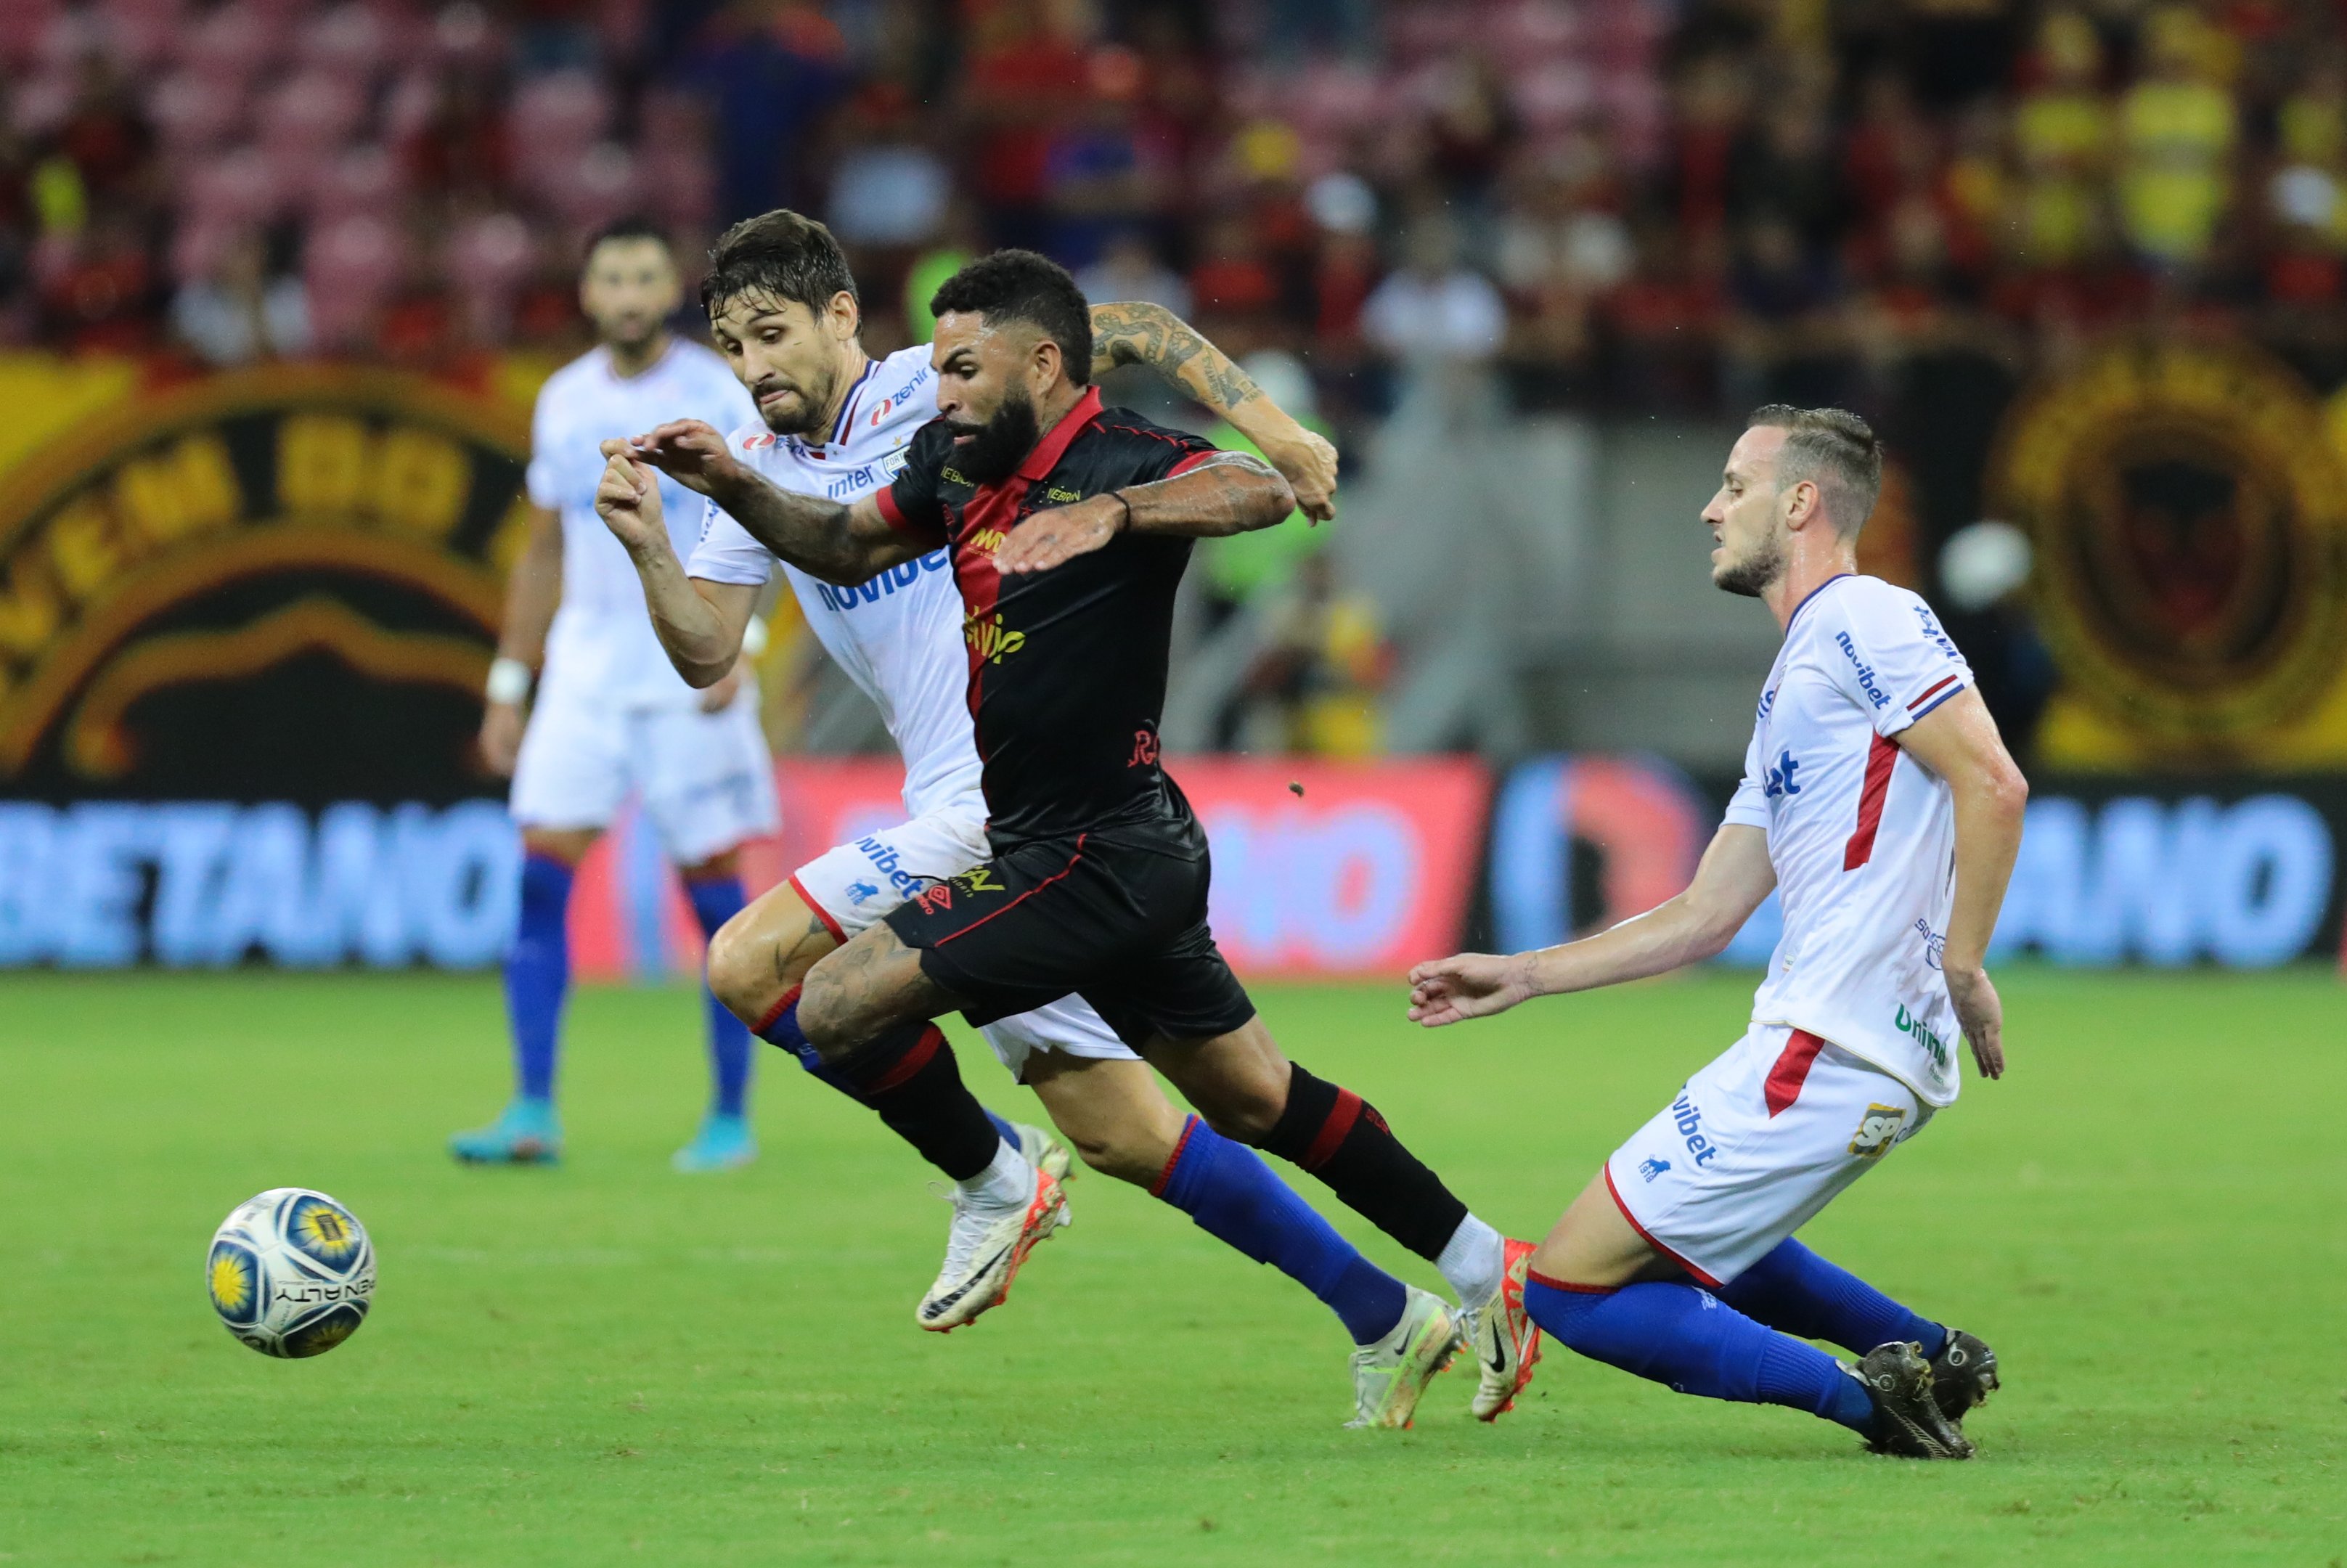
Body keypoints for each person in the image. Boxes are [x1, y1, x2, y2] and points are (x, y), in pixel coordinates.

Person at [595, 224, 1535, 1428]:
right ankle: (1403, 1305)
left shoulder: (939, 390)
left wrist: (1274, 432)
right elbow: (711, 650)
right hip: (1007, 815)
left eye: (771, 335)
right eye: (730, 347)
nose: (752, 367)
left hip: (1004, 813)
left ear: (842, 319)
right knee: (1162, 1123)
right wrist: (656, 542)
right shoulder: (791, 471)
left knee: (761, 965)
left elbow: (1132, 331)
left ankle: (991, 1179)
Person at [1407, 407, 2027, 1458]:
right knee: (1710, 1243)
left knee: (1568, 1289)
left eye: (1733, 486)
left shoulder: (1866, 616)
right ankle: (1933, 1355)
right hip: (1842, 1042)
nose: (1708, 507)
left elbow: (1992, 780)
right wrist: (1523, 975)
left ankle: (1871, 1401)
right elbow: (1704, 914)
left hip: (1831, 1041)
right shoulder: (1800, 675)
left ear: (1800, 503)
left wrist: (1963, 962)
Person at [449, 216, 776, 1173]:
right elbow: (546, 546)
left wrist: (740, 648)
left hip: (687, 668)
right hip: (587, 671)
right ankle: (530, 1109)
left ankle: (728, 1116)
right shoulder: (563, 401)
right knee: (538, 878)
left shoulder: (718, 392)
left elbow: (773, 516)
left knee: (716, 903)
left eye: (643, 275)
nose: (628, 294)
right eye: (611, 278)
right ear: (588, 293)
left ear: (669, 285)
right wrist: (511, 683)